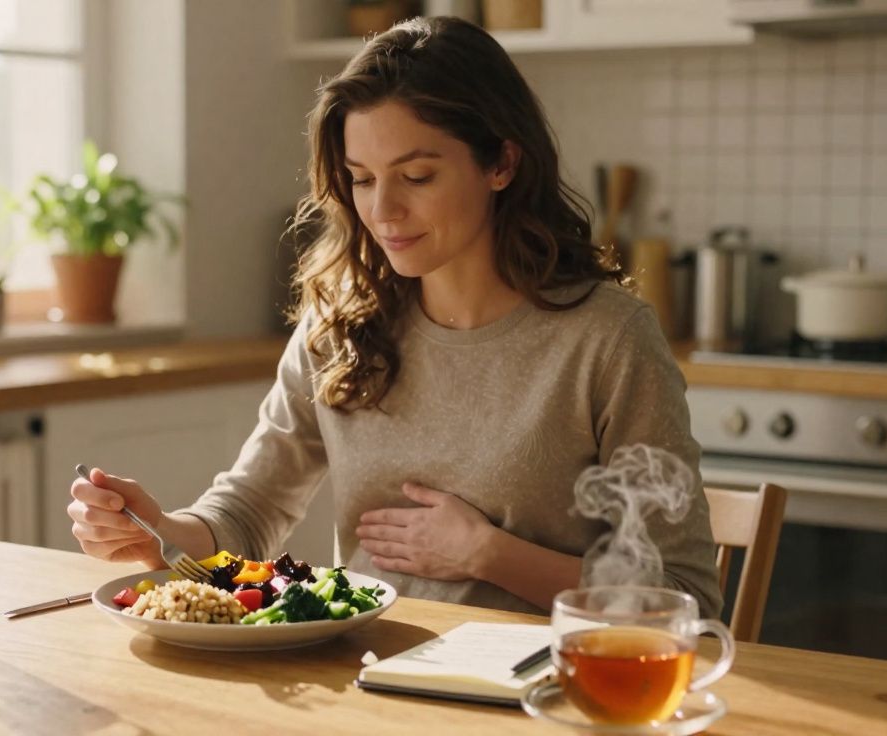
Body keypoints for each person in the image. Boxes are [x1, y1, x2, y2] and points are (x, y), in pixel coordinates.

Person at [68, 16, 722, 616]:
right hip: (366, 680)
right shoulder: (341, 323)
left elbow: (686, 598)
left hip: (539, 693)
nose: (382, 211)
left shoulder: (606, 339)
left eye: (416, 176)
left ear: (501, 162)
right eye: (361, 177)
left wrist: (489, 555)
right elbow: (248, 510)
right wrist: (155, 530)